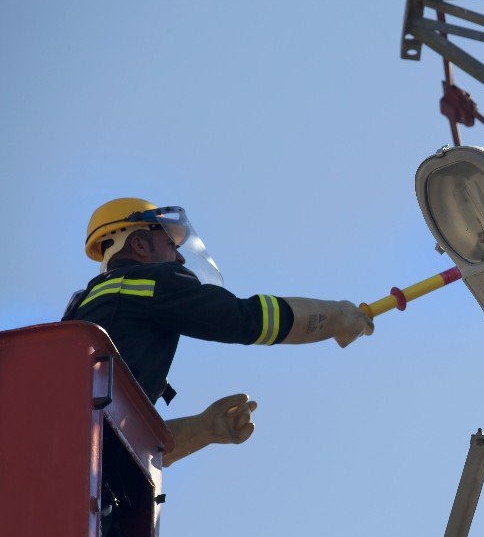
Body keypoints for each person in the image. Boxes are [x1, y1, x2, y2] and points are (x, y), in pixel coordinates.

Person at [63, 197, 374, 466]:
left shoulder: (86, 307)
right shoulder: (150, 284)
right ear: (140, 245)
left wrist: (205, 428)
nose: (180, 257)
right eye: (171, 244)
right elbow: (249, 320)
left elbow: (122, 439)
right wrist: (336, 318)